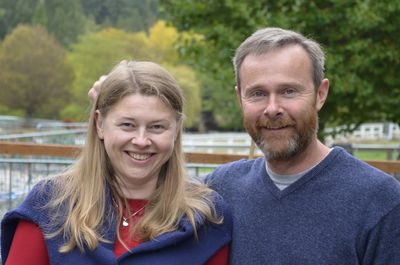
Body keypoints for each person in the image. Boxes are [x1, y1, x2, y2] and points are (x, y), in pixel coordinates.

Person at [87, 28, 400, 264]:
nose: (273, 108)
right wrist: (116, 110)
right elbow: (130, 203)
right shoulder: (217, 192)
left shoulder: (380, 202)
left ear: (320, 94)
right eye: (258, 93)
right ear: (240, 98)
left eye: (289, 91)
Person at [1, 61, 232, 265]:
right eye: (127, 125)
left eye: (157, 127)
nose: (141, 141)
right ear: (100, 124)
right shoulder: (49, 206)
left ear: (177, 129)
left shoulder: (204, 217)